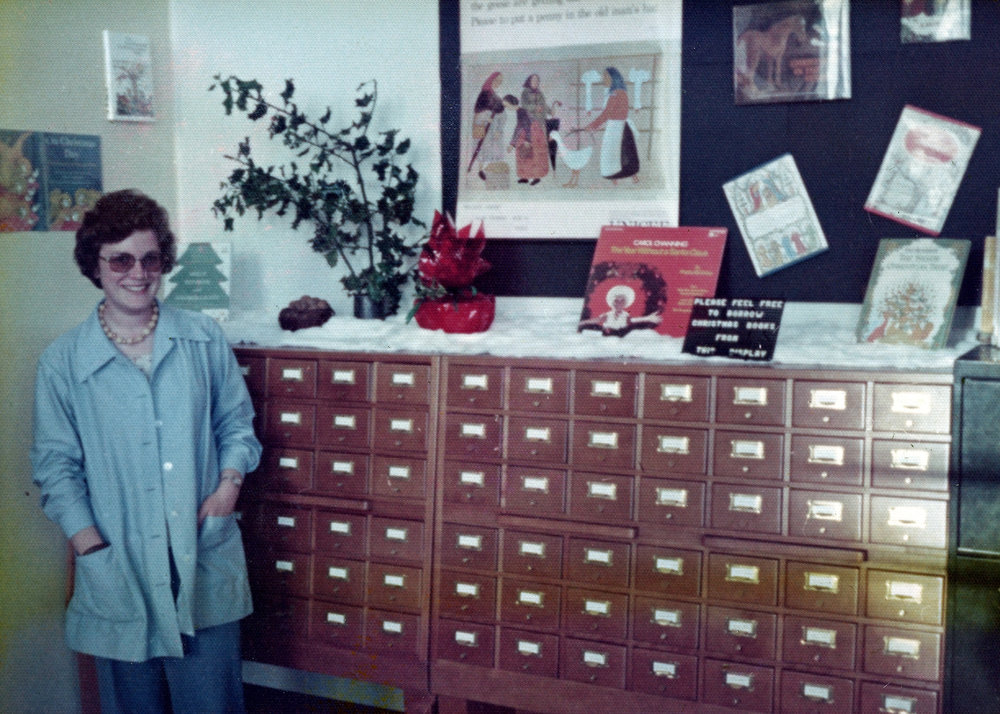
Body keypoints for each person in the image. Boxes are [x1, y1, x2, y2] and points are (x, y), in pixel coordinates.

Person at [30, 189, 262, 713]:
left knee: (213, 705)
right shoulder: (63, 362)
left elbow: (237, 425)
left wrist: (228, 487)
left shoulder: (203, 338)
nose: (138, 273)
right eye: (121, 259)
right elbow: (55, 468)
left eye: (150, 258)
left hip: (199, 551)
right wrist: (90, 548)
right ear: (95, 264)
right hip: (118, 564)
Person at [584, 66, 640, 184]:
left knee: (611, 153)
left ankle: (614, 177)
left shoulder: (615, 93)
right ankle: (629, 177)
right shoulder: (622, 92)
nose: (604, 79)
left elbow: (606, 114)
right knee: (625, 152)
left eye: (606, 76)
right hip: (622, 126)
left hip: (615, 127)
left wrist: (592, 126)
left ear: (613, 77)